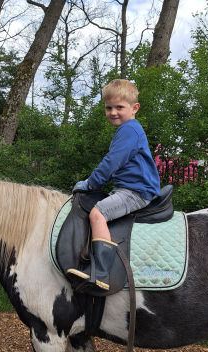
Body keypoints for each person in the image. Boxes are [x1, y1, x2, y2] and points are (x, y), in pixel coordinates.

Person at [66, 79, 160, 291]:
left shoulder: (130, 130)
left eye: (120, 107)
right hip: (128, 188)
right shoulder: (128, 130)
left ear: (134, 108)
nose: (113, 112)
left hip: (136, 191)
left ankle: (100, 272)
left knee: (97, 214)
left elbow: (112, 161)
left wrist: (91, 183)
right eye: (109, 108)